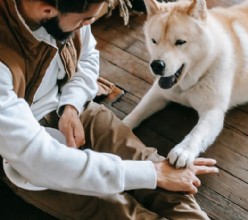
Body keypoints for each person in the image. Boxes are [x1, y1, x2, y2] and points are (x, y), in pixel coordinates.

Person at [0, 0, 219, 219]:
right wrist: (151, 174)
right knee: (116, 209)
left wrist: (71, 105)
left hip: (71, 109)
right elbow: (39, 160)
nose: (88, 24)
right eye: (85, 20)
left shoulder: (70, 9)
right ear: (46, 11)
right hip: (16, 154)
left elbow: (87, 56)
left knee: (157, 169)